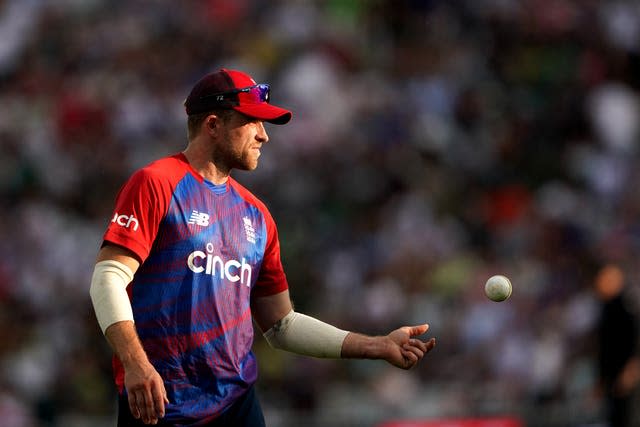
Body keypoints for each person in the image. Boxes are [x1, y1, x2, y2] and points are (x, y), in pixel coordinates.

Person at [89, 68, 437, 426]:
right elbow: (108, 278)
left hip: (236, 405)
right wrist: (136, 364)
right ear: (213, 125)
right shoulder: (157, 182)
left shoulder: (257, 216)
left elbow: (281, 325)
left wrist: (377, 345)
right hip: (159, 401)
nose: (264, 136)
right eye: (253, 122)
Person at [593, 263, 640, 427]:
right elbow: (603, 347)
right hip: (610, 376)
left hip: (627, 376)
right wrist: (600, 379)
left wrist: (632, 368)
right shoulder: (604, 308)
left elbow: (635, 339)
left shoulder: (627, 307)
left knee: (627, 416)